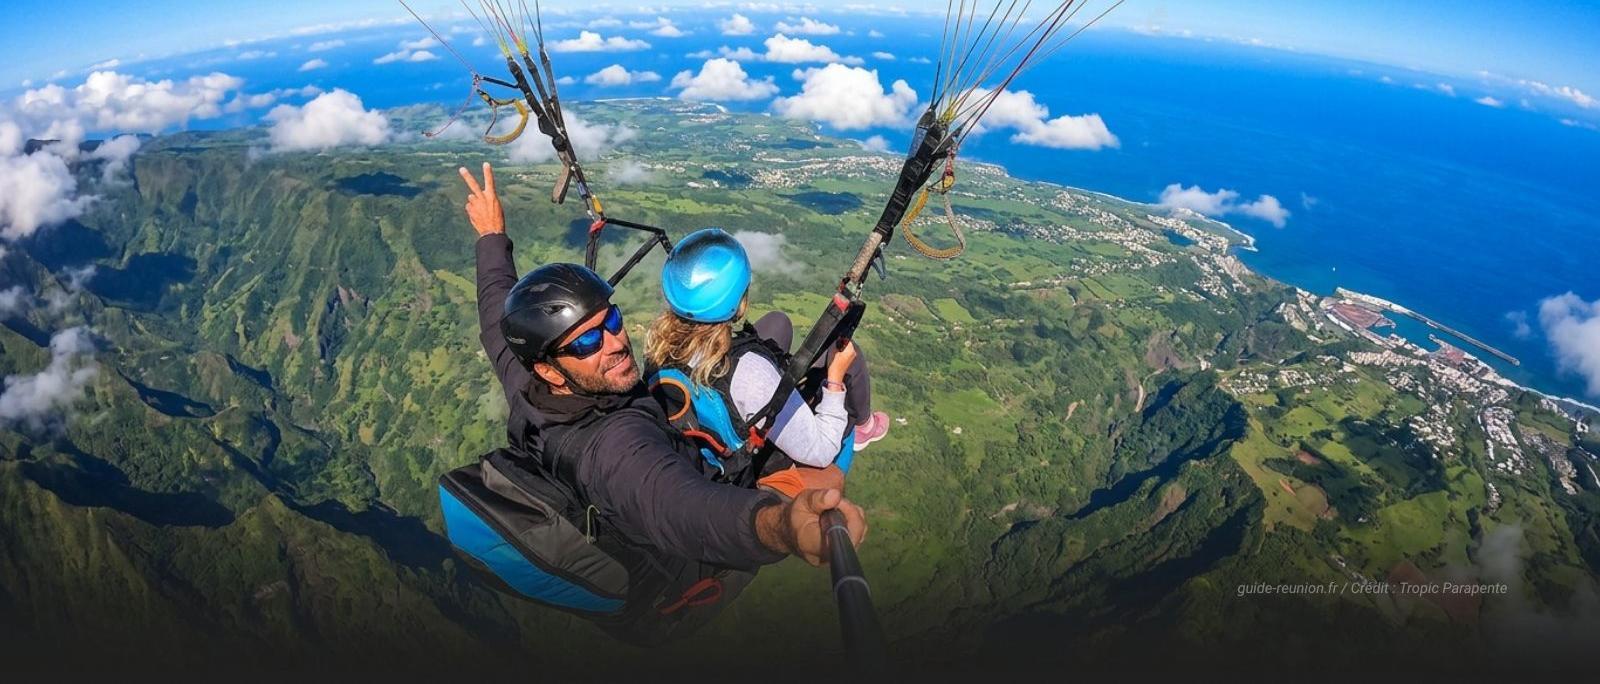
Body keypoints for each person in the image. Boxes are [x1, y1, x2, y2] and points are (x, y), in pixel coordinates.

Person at [457, 162, 867, 643]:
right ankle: (858, 425)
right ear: (550, 368)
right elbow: (679, 507)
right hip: (699, 557)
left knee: (773, 332)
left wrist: (491, 236)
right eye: (586, 345)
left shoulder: (532, 382)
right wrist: (781, 526)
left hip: (677, 451)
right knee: (827, 439)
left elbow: (495, 320)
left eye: (610, 321)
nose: (613, 344)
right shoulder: (616, 449)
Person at [643, 228, 889, 499]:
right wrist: (835, 379)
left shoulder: (658, 347)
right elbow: (820, 450)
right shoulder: (749, 375)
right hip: (750, 456)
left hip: (715, 416)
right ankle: (864, 426)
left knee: (777, 322)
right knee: (845, 356)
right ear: (738, 305)